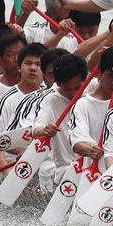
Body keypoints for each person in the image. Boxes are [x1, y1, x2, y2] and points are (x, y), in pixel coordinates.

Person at [33, 53, 89, 196]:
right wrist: (45, 130)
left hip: (91, 167)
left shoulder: (93, 88)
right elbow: (35, 130)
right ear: (57, 83)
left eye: (77, 88)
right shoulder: (49, 100)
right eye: (67, 89)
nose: (73, 94)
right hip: (65, 170)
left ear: (85, 80)